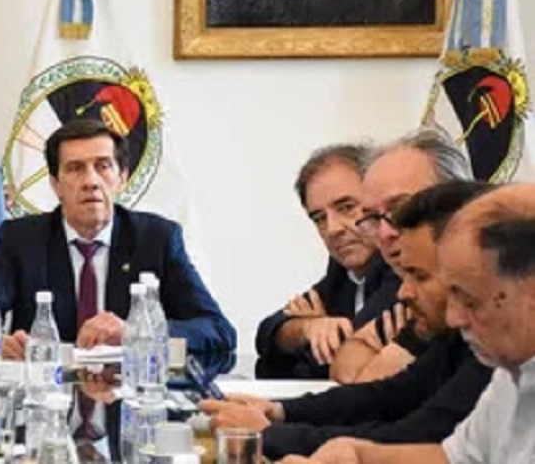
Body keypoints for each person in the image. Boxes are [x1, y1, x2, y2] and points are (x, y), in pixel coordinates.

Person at [200, 181, 494, 460]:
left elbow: (414, 434)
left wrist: (269, 434)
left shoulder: (492, 352)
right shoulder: (345, 276)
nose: (404, 292)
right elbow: (387, 395)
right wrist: (277, 411)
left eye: (419, 276)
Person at [281, 183, 535, 464]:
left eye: (471, 300)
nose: (454, 316)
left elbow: (415, 423)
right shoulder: (509, 375)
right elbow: (452, 458)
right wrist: (361, 455)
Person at [0, 118, 236, 358]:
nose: (90, 181)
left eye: (103, 166)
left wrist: (136, 333)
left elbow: (219, 331)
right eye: (75, 168)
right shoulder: (21, 240)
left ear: (122, 178)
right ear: (55, 184)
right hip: (48, 394)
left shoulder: (157, 239)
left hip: (129, 393)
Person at [330, 127, 473, 383]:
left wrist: (398, 348)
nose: (385, 233)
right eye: (374, 217)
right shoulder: (399, 284)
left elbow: (370, 386)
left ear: (458, 203)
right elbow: (347, 366)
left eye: (402, 209)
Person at [255, 144, 399, 379]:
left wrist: (319, 337)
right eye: (320, 218)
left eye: (347, 207)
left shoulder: (400, 269)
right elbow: (267, 334)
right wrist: (308, 328)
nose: (332, 229)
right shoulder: (340, 275)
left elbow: (348, 361)